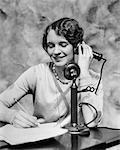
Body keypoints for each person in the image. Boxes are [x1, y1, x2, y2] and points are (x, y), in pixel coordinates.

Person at [0, 17, 103, 128]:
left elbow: (91, 122)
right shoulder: (36, 73)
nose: (56, 51)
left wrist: (84, 75)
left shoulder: (93, 79)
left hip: (79, 143)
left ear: (76, 47)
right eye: (51, 46)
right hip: (43, 141)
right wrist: (11, 116)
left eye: (63, 45)